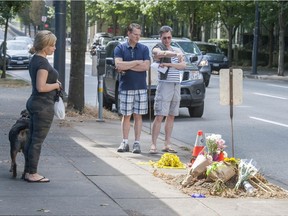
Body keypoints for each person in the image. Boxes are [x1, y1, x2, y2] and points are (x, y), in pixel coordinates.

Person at [24, 30, 62, 182]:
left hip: (35, 103)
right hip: (42, 106)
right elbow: (41, 87)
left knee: (32, 139)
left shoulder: (35, 59)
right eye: (52, 45)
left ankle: (28, 171)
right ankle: (32, 173)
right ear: (45, 46)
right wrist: (56, 85)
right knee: (37, 141)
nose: (54, 48)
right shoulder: (42, 63)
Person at [114, 23, 150, 154]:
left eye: (139, 35)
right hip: (126, 87)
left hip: (141, 87)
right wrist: (136, 62)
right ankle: (124, 142)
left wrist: (127, 66)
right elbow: (118, 65)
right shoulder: (120, 48)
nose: (137, 37)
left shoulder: (144, 49)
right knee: (126, 115)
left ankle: (137, 143)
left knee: (138, 115)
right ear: (128, 33)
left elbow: (146, 67)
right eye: (135, 34)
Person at [150, 26, 186, 154]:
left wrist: (170, 64)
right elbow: (158, 54)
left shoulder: (176, 49)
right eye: (164, 38)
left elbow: (183, 66)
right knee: (160, 115)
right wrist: (175, 55)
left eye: (169, 37)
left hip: (176, 84)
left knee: (171, 115)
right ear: (161, 38)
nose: (167, 40)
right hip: (165, 84)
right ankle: (153, 144)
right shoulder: (158, 47)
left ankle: (167, 143)